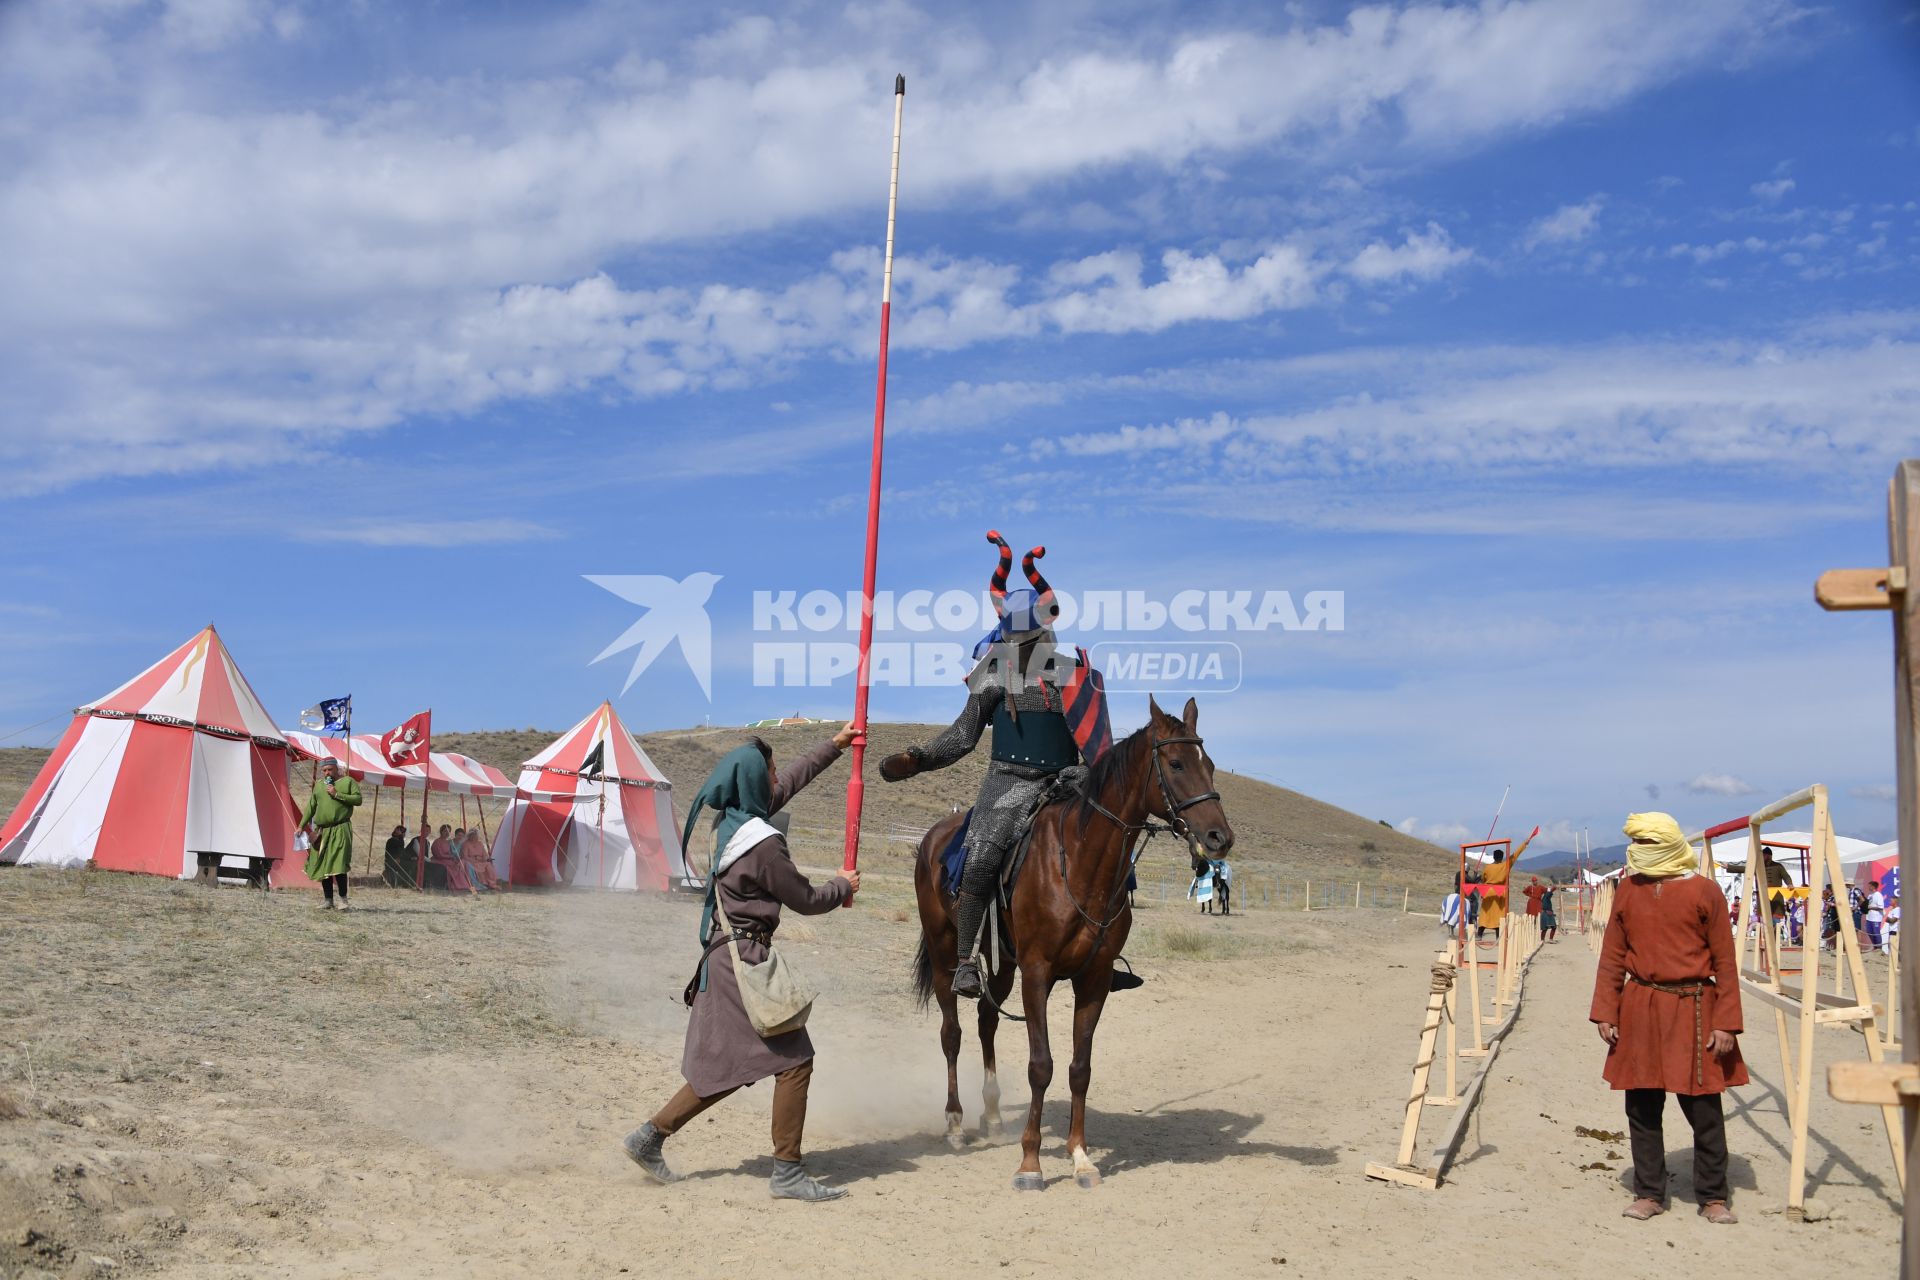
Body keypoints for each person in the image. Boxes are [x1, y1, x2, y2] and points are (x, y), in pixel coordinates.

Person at [623, 725, 858, 1202]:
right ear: (755, 782)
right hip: (743, 960)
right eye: (769, 771)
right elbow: (807, 899)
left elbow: (785, 785)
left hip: (723, 956)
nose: (776, 778)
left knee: (729, 1064)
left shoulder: (731, 824)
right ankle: (787, 1172)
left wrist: (832, 747)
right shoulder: (763, 846)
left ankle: (649, 1137)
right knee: (795, 1060)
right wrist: (843, 886)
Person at [878, 534, 1102, 1000]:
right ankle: (965, 962)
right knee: (979, 856)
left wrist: (1088, 772)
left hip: (1066, 784)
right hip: (1008, 782)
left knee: (1109, 852)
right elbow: (962, 737)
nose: (1020, 645)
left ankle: (1104, 953)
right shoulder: (995, 674)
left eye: (1027, 637)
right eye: (1014, 637)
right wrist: (917, 759)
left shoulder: (1073, 672)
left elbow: (1094, 739)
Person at [1591, 812, 1745, 1226]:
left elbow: (1726, 964)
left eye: (1649, 843)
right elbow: (1613, 955)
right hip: (1640, 1006)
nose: (1641, 851)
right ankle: (1649, 1193)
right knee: (1641, 1106)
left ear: (1670, 844)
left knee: (1704, 1109)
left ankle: (1713, 1196)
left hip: (1695, 1008)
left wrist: (1725, 1022)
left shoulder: (1705, 891)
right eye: (1637, 843)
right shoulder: (1628, 890)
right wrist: (1607, 1009)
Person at [300, 759, 363, 910]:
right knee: (323, 864)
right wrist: (301, 826)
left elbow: (358, 800)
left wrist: (337, 794)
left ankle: (343, 900)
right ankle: (328, 900)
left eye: (330, 769)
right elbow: (311, 807)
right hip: (322, 831)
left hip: (341, 828)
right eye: (325, 770)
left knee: (339, 864)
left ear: (336, 768)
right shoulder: (319, 785)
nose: (327, 773)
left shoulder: (348, 781)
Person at [462, 826, 501, 891]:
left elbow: (485, 854)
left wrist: (484, 859)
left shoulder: (480, 843)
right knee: (477, 866)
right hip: (471, 861)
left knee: (488, 865)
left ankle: (492, 884)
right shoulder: (466, 844)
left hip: (481, 861)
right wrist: (475, 860)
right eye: (473, 835)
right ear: (470, 836)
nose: (474, 837)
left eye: (475, 835)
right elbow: (465, 856)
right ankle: (483, 883)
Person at [382, 824, 414, 888]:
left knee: (409, 863)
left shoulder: (396, 840)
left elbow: (401, 852)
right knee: (410, 865)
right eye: (403, 833)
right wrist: (400, 836)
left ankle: (403, 883)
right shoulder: (392, 840)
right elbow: (401, 849)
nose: (404, 835)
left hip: (394, 861)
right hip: (391, 862)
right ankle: (404, 884)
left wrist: (410, 857)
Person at [1866, 880, 1886, 952]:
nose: (1868, 887)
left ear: (1873, 887)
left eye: (1869, 886)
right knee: (1869, 931)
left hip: (1876, 918)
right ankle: (1875, 946)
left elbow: (1880, 907)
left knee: (1876, 932)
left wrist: (1870, 907)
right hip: (1869, 917)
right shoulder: (1870, 895)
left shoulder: (1878, 895)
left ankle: (1879, 948)